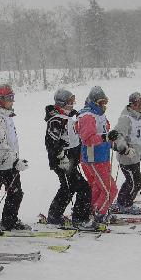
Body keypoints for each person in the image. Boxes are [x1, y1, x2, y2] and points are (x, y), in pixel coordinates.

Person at [0, 84, 32, 231]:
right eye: (9, 98)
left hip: (9, 163)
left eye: (12, 97)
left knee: (16, 193)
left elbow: (10, 142)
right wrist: (15, 161)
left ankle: (10, 221)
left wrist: (15, 160)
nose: (12, 101)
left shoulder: (6, 115)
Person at [44, 89, 92, 227]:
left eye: (73, 101)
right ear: (62, 103)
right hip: (63, 162)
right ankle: (78, 218)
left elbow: (72, 138)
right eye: (70, 101)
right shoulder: (56, 120)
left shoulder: (67, 117)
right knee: (81, 188)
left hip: (71, 161)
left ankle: (56, 216)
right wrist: (61, 157)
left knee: (69, 188)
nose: (72, 104)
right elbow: (51, 143)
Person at [77, 86, 118, 226]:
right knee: (110, 189)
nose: (103, 105)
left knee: (99, 188)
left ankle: (92, 211)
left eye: (105, 102)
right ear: (93, 102)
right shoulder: (88, 116)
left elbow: (104, 133)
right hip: (94, 157)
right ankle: (99, 215)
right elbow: (88, 139)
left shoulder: (99, 114)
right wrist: (106, 137)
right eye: (101, 102)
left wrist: (113, 142)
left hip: (102, 156)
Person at [113, 92, 141, 214]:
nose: (140, 106)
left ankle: (123, 202)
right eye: (137, 104)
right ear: (131, 104)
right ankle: (124, 204)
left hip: (136, 157)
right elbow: (118, 135)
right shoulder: (125, 118)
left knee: (136, 181)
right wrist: (125, 149)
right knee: (134, 182)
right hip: (127, 157)